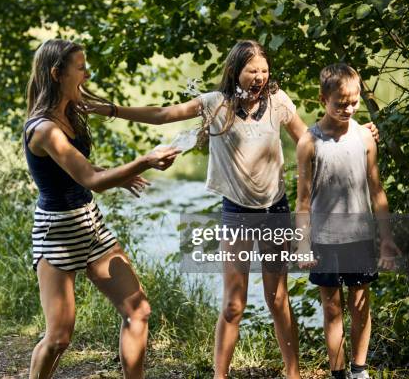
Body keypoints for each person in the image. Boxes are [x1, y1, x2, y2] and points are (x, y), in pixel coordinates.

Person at [86, 40, 379, 379]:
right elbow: (163, 115)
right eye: (252, 70)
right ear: (236, 71)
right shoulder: (215, 105)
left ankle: (293, 374)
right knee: (233, 305)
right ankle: (219, 375)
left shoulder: (278, 102)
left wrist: (357, 132)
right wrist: (111, 110)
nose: (259, 77)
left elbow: (312, 142)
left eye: (264, 71)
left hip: (276, 211)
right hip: (236, 214)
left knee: (277, 300)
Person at [24, 38, 180, 379]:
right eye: (80, 68)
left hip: (91, 227)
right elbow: (90, 179)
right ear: (56, 73)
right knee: (59, 337)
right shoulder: (45, 129)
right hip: (58, 234)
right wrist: (143, 161)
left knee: (138, 310)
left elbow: (86, 170)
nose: (87, 74)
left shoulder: (69, 113)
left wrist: (115, 177)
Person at [295, 63, 400, 379]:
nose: (348, 108)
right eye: (340, 103)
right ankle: (338, 373)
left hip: (359, 236)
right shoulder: (309, 142)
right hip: (324, 238)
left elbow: (376, 188)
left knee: (360, 305)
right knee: (332, 308)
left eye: (354, 102)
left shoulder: (365, 137)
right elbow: (302, 200)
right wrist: (302, 245)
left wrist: (386, 238)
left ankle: (360, 370)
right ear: (322, 99)